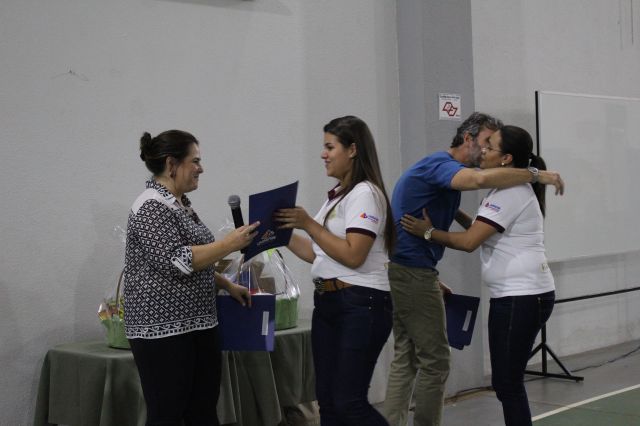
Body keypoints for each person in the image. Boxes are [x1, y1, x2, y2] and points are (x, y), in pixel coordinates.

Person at [383, 113, 564, 426]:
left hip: (517, 294)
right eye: (484, 143)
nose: (484, 152)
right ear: (468, 139)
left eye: (491, 146)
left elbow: (471, 239)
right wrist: (536, 175)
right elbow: (479, 215)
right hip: (420, 274)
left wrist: (430, 232)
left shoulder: (508, 190)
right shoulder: (452, 171)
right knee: (431, 361)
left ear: (506, 159)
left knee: (501, 381)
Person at [124, 129, 259, 426]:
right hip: (162, 331)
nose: (201, 168)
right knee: (167, 415)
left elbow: (197, 260)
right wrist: (229, 244)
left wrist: (226, 284)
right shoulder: (150, 205)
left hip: (198, 324)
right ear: (171, 164)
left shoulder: (179, 203)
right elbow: (176, 261)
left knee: (203, 412)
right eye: (195, 161)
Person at [274, 116, 395, 425]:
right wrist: (277, 233)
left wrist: (307, 224)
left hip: (360, 303)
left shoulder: (365, 194)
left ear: (352, 150)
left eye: (330, 147)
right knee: (327, 403)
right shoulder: (339, 195)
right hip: (329, 302)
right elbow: (317, 252)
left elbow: (354, 255)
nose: (323, 154)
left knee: (348, 403)